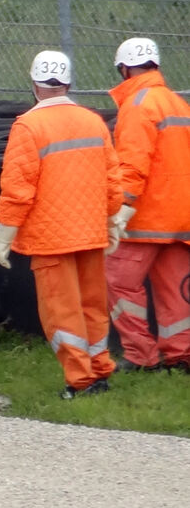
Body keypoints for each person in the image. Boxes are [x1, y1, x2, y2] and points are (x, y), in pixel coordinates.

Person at [0, 50, 122, 399]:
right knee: (93, 307)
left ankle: (80, 382)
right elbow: (113, 178)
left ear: (34, 84)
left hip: (51, 239)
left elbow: (18, 188)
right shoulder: (93, 121)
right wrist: (112, 219)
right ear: (67, 83)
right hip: (91, 233)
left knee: (62, 315)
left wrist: (5, 230)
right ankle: (101, 372)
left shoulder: (28, 126)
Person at [106, 37, 190, 373]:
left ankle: (142, 356)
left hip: (145, 219)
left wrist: (122, 207)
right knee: (177, 292)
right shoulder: (178, 104)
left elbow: (133, 163)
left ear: (124, 68)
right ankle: (181, 356)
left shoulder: (137, 105)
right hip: (181, 219)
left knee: (118, 281)